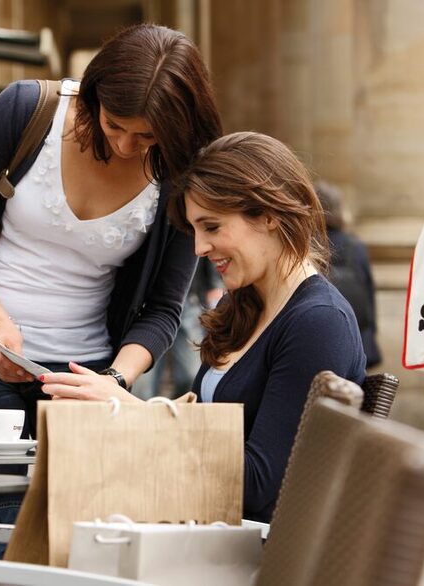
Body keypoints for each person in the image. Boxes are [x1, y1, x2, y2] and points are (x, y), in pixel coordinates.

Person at [0, 23, 222, 566]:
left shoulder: (179, 169)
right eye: (116, 125)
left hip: (87, 373)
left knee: (52, 522)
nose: (128, 146)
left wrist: (114, 381)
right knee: (5, 501)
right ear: (95, 94)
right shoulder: (27, 110)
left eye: (148, 137)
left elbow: (163, 309)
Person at [41, 132, 366, 523]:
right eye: (195, 231)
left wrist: (136, 416)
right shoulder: (243, 303)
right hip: (201, 529)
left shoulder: (319, 322)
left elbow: (260, 486)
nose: (198, 248)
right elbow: (202, 430)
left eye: (211, 227)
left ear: (268, 215)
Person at [314, 181, 382, 368]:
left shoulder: (307, 247)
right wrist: (370, 335)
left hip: (320, 341)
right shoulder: (356, 245)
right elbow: (368, 294)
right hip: (358, 340)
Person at [131, 262, 222, 399]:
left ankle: (179, 415)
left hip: (189, 299)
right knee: (143, 386)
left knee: (190, 376)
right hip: (149, 302)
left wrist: (214, 284)